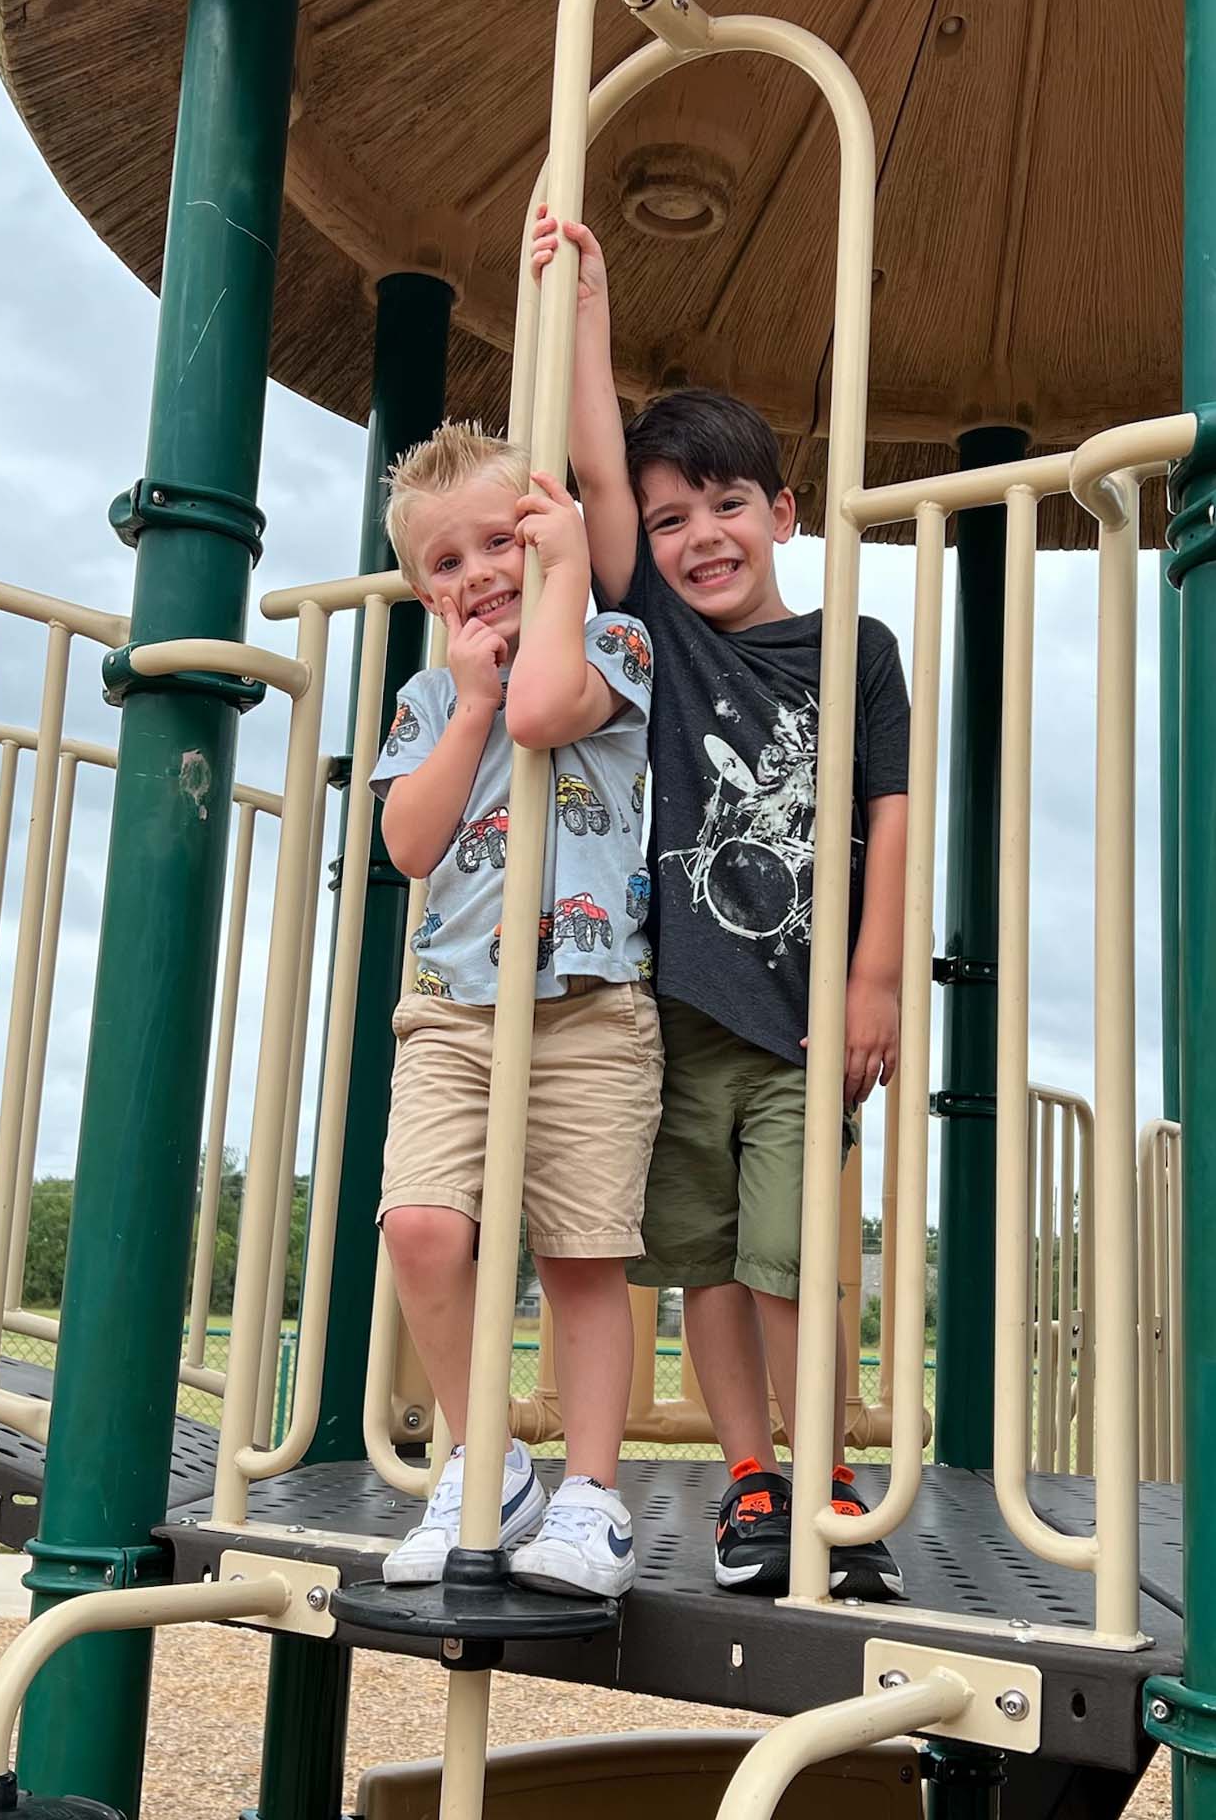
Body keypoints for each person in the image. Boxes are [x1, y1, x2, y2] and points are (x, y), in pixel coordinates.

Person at [531, 210, 910, 1600]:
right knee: (705, 1264)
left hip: (809, 1022)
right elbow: (592, 470)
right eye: (673, 516)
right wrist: (588, 312)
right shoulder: (666, 641)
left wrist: (877, 978)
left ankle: (822, 1481)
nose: (698, 539)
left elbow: (888, 817)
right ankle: (752, 1476)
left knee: (793, 1260)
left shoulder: (855, 647)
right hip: (676, 1013)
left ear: (785, 513)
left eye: (727, 507)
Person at [369, 421, 662, 1599]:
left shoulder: (615, 640)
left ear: (550, 537)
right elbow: (408, 843)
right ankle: (483, 1463)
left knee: (582, 1258)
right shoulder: (432, 694)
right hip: (453, 1011)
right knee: (421, 1229)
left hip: (589, 1006)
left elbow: (551, 706)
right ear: (419, 588)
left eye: (504, 541)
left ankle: (589, 1497)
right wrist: (468, 709)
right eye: (448, 563)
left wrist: (569, 572)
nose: (479, 573)